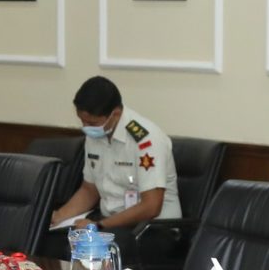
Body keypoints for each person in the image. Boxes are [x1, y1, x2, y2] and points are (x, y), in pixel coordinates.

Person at [52, 76, 176, 252]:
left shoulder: (146, 140)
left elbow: (151, 206)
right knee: (50, 240)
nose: (85, 127)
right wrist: (58, 217)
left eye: (91, 123)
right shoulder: (96, 134)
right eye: (82, 121)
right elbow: (89, 190)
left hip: (152, 229)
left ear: (115, 114)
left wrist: (99, 226)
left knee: (88, 248)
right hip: (111, 223)